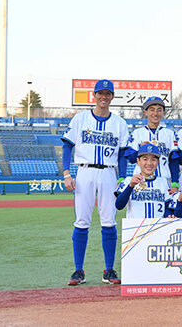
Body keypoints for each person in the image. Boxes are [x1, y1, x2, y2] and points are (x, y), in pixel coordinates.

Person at [61, 79, 129, 286]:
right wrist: (66, 174)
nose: (104, 97)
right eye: (101, 93)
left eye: (108, 93)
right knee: (82, 221)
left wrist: (121, 178)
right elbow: (67, 146)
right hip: (85, 171)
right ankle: (78, 270)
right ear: (95, 95)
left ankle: (109, 270)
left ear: (112, 97)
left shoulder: (119, 123)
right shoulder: (81, 118)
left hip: (108, 172)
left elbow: (123, 154)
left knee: (109, 221)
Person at [125, 97, 179, 194]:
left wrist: (175, 183)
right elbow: (132, 159)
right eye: (152, 110)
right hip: (141, 180)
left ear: (164, 113)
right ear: (145, 112)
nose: (155, 113)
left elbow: (173, 161)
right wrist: (141, 150)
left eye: (159, 110)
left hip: (163, 180)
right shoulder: (137, 133)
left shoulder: (170, 134)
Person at [115, 143, 172, 218]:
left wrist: (168, 216)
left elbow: (168, 207)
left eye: (153, 160)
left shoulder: (164, 182)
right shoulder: (129, 180)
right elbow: (119, 205)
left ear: (158, 162)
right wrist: (130, 186)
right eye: (145, 159)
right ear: (138, 161)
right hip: (135, 224)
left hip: (157, 224)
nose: (149, 163)